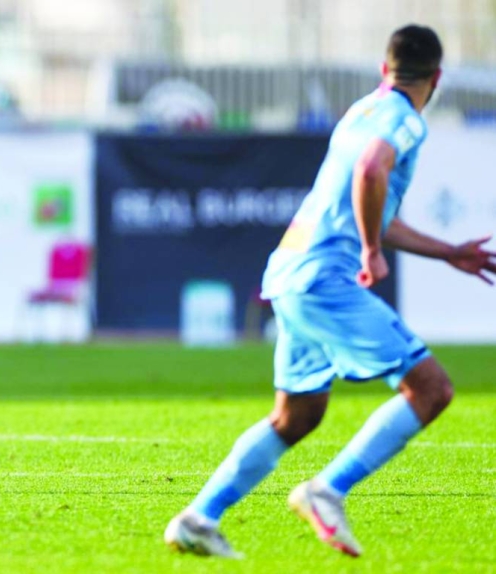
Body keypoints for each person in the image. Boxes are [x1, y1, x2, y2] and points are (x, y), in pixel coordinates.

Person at [164, 24, 496, 558]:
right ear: (436, 79)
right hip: (324, 277)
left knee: (296, 417)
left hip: (292, 271)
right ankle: (327, 490)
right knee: (431, 390)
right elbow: (370, 172)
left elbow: (370, 198)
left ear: (384, 70)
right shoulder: (405, 121)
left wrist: (446, 251)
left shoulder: (362, 111)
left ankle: (199, 517)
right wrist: (370, 251)